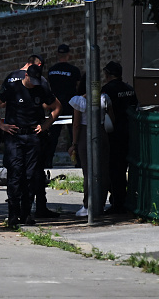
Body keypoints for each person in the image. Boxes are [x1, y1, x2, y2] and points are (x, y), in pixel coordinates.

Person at [0, 64, 62, 229]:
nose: (33, 84)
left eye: (36, 81)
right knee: (15, 174)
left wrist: (46, 124)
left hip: (33, 137)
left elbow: (57, 107)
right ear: (25, 75)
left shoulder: (41, 88)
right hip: (15, 136)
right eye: (31, 80)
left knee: (31, 176)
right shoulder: (12, 87)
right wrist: (1, 125)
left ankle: (26, 213)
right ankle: (13, 214)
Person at [67, 74, 114, 217]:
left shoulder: (79, 101)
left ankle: (88, 205)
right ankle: (100, 203)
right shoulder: (104, 98)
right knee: (103, 170)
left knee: (88, 171)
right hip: (102, 132)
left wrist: (74, 144)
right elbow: (111, 118)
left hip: (85, 133)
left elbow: (76, 124)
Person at [101, 61, 138, 214]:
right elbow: (135, 107)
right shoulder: (129, 89)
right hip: (129, 132)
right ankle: (126, 198)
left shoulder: (107, 90)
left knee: (114, 169)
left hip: (113, 134)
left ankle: (118, 202)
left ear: (108, 74)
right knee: (127, 167)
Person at [45, 44, 81, 168]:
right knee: (74, 135)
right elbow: (77, 86)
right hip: (70, 105)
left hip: (55, 105)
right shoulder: (74, 70)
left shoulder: (51, 71)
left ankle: (48, 161)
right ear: (68, 55)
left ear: (57, 55)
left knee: (53, 135)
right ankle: (79, 161)